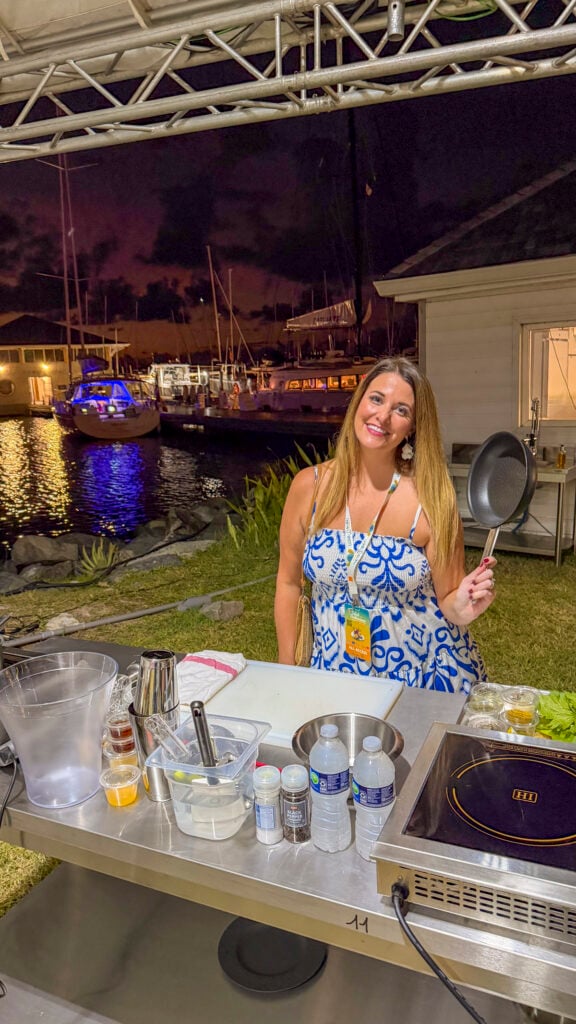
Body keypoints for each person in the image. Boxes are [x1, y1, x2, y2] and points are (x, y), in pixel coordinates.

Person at [274, 357, 496, 692]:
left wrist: (465, 606)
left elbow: (450, 601)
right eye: (376, 399)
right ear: (359, 401)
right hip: (333, 673)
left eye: (401, 410)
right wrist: (285, 672)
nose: (382, 415)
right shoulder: (310, 486)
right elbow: (289, 584)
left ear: (413, 427)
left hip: (424, 678)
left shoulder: (431, 498)